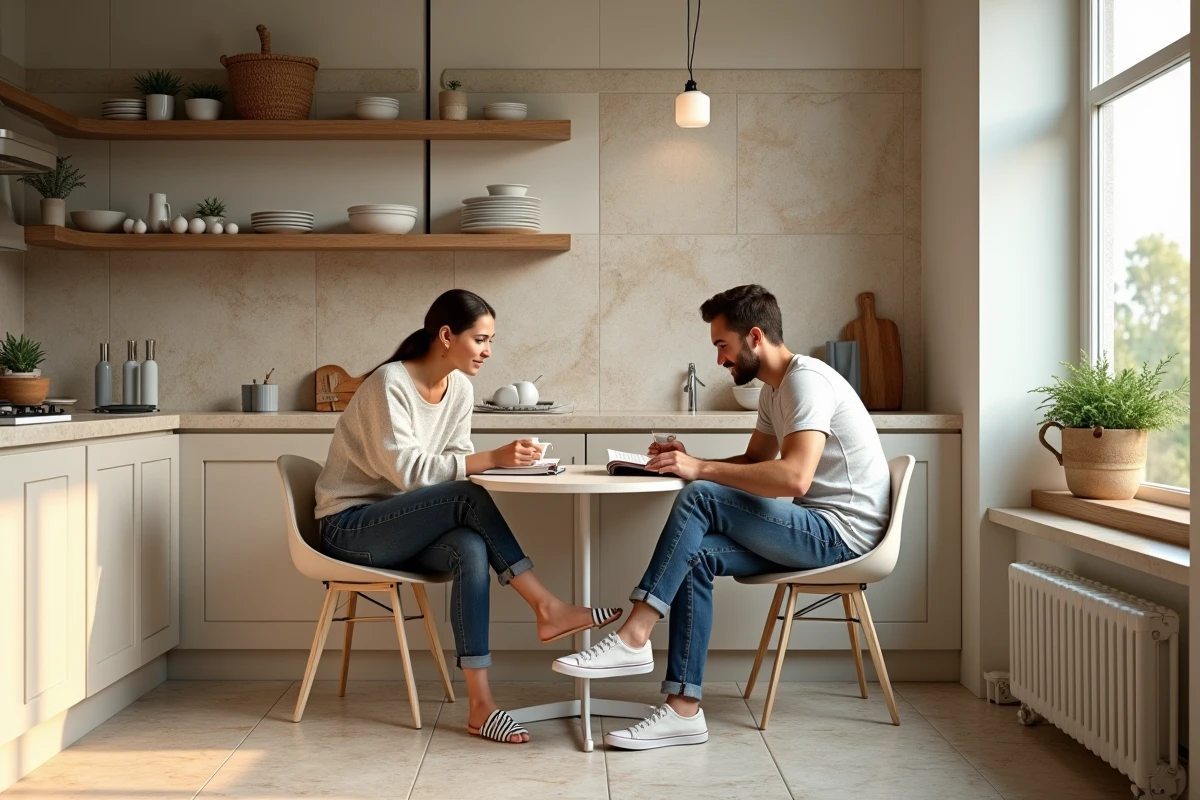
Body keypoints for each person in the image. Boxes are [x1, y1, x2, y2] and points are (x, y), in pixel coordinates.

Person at [553, 284, 891, 750]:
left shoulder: (805, 381)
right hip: (815, 528)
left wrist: (700, 471)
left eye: (722, 345)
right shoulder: (776, 390)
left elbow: (794, 478)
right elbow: (756, 462)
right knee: (696, 555)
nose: (719, 360)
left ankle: (634, 634)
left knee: (701, 494)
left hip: (841, 537)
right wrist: (693, 458)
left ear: (754, 337)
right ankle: (682, 711)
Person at [314, 289, 621, 745]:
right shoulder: (389, 384)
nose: (488, 351)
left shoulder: (459, 387)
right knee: (463, 497)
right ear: (445, 336)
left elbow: (454, 457)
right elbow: (412, 472)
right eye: (480, 339)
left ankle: (481, 706)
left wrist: (500, 462)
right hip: (351, 525)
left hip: (403, 525)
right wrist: (493, 457)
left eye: (490, 340)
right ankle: (547, 607)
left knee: (471, 547)